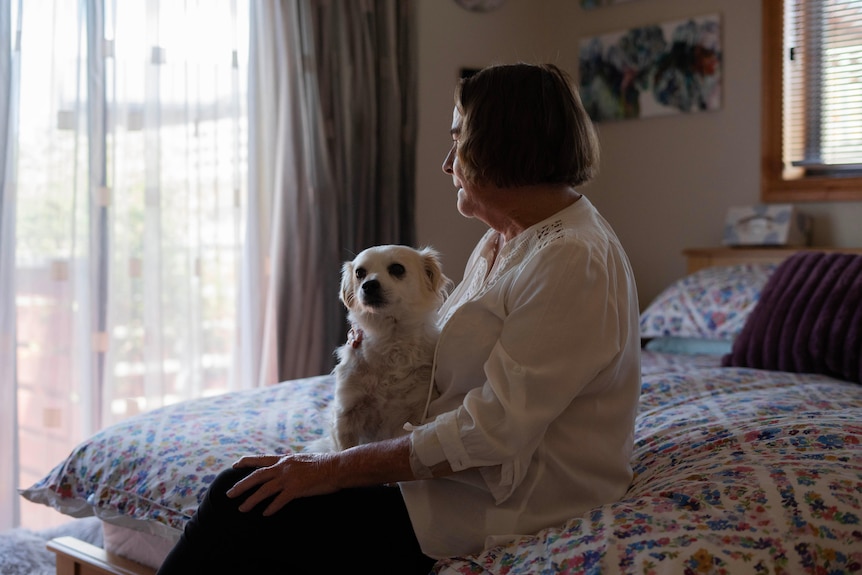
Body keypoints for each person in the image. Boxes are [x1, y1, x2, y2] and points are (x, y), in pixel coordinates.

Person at [156, 62, 640, 574]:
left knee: (238, 504)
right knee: (246, 485)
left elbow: (494, 431)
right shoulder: (506, 238)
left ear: (502, 146)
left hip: (506, 501)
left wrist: (335, 471)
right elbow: (457, 353)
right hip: (449, 476)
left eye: (459, 141)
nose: (447, 162)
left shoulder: (572, 259)